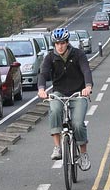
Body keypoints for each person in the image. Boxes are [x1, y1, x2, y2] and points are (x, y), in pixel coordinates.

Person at [37, 27, 94, 171]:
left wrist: (87, 87)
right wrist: (41, 89)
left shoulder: (78, 55)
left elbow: (86, 70)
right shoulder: (50, 57)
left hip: (78, 93)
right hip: (59, 93)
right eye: (57, 43)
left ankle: (83, 154)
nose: (60, 46)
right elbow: (43, 74)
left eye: (62, 43)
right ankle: (57, 147)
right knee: (55, 110)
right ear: (54, 44)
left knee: (77, 123)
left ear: (67, 43)